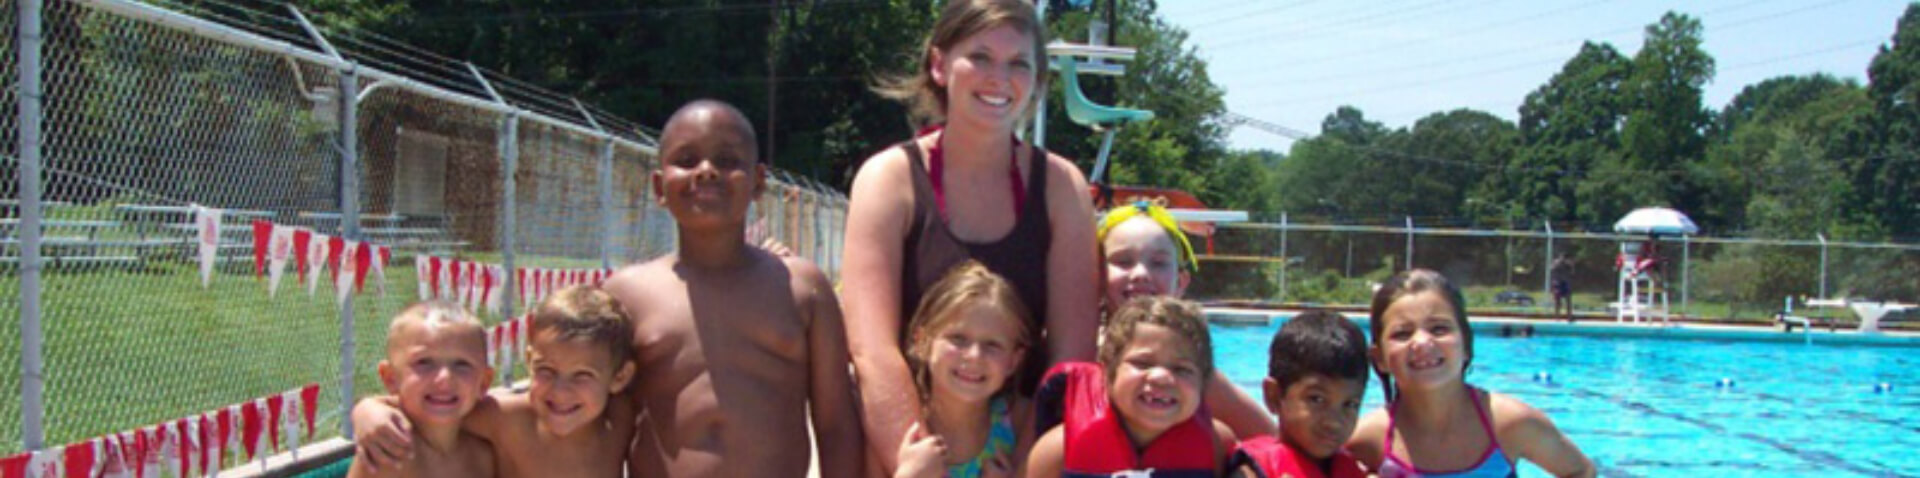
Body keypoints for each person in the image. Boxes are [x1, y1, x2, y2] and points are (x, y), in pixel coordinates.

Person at [844, 0, 1099, 474]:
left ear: (1037, 81)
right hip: (903, 445)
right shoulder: (889, 179)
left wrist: (1023, 464)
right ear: (940, 65)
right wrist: (920, 463)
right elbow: (871, 350)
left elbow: (1070, 359)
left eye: (1019, 63)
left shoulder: (1062, 188)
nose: (999, 77)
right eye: (980, 57)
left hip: (1014, 448)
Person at [602, 99, 863, 477]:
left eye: (727, 161)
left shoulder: (802, 289)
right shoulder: (626, 295)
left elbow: (836, 422)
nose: (707, 171)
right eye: (687, 160)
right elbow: (600, 427)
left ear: (758, 182)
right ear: (659, 186)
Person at [355, 286, 637, 478]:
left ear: (619, 378)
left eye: (582, 375)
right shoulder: (504, 418)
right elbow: (436, 406)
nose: (561, 392)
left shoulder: (622, 418)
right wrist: (368, 409)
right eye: (546, 370)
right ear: (529, 362)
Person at [1346, 270, 1594, 478]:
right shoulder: (1366, 440)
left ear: (1466, 345)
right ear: (1379, 358)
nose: (1422, 342)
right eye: (1402, 334)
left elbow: (1581, 472)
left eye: (1439, 328)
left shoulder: (1510, 422)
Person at [1094, 201, 1272, 437]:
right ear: (1094, 275)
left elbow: (1270, 440)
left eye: (1158, 263)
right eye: (1124, 262)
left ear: (1181, 282)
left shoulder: (1195, 373)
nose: (1141, 274)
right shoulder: (1073, 348)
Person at [1024, 296, 1237, 477]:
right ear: (1108, 372)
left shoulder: (1216, 444)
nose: (1161, 377)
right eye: (1142, 363)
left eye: (1182, 369)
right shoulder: (1057, 451)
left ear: (1203, 383)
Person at [895, 261, 1029, 478]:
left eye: (992, 345)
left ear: (1014, 360)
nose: (975, 355)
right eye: (958, 339)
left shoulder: (1020, 422)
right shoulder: (899, 424)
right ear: (922, 343)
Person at [349, 301, 495, 478]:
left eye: (462, 364)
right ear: (390, 378)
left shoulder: (485, 454)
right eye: (424, 363)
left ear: (484, 383)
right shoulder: (388, 454)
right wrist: (365, 408)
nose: (445, 378)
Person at [1228, 310, 1370, 478]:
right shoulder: (1250, 473)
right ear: (1274, 396)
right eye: (1316, 399)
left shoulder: (1349, 469)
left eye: (1350, 405)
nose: (1334, 422)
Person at [1550, 255, 1572, 322]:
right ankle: (1557, 317)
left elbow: (1572, 272)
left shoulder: (1567, 264)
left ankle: (1569, 317)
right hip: (1558, 283)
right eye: (1561, 257)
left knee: (1568, 300)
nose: (1562, 258)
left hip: (1565, 283)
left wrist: (1570, 264)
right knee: (1557, 301)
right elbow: (1552, 271)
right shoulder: (1555, 264)